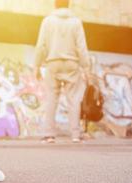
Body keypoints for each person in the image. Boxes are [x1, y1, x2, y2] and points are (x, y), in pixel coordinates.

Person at [35, 0, 91, 143]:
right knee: (73, 99)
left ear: (55, 4)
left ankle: (49, 135)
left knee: (52, 98)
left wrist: (36, 65)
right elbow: (82, 47)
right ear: (68, 4)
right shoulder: (76, 22)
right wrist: (86, 68)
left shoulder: (48, 21)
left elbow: (41, 45)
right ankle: (75, 135)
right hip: (72, 63)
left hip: (53, 62)